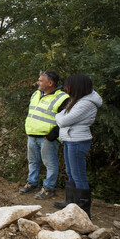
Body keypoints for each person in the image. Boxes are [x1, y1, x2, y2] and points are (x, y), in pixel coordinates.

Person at [53, 74, 102, 216]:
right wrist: (60, 116)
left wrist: (59, 117)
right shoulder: (77, 100)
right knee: (70, 173)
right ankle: (71, 204)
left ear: (76, 86)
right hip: (70, 139)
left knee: (78, 175)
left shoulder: (86, 103)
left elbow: (62, 120)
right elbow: (63, 116)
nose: (66, 88)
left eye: (68, 85)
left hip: (78, 141)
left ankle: (83, 211)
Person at [21, 71, 69, 199]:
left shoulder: (62, 97)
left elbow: (66, 119)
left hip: (47, 137)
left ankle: (48, 188)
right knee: (32, 161)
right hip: (32, 134)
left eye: (41, 81)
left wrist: (53, 135)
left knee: (50, 164)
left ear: (50, 83)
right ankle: (32, 183)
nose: (38, 82)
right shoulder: (36, 94)